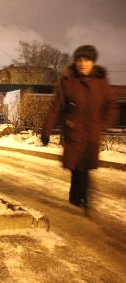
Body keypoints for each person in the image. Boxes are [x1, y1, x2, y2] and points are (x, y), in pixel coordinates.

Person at [41, 45, 117, 207]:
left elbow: (110, 103)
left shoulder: (101, 81)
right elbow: (56, 107)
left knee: (86, 166)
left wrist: (105, 123)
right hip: (74, 132)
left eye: (87, 60)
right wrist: (46, 130)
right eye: (79, 60)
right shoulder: (68, 81)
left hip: (92, 133)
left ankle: (82, 196)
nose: (83, 64)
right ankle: (78, 196)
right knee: (77, 167)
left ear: (93, 62)